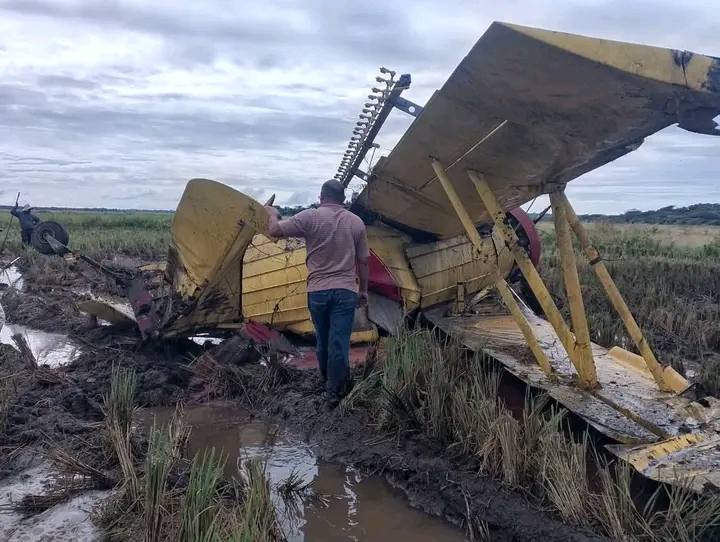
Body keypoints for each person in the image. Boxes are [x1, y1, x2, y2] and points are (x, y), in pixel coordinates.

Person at [265, 179, 369, 407]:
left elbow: (274, 230)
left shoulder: (309, 217)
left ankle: (327, 381)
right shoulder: (356, 222)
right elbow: (363, 261)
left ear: (321, 197)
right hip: (345, 291)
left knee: (322, 340)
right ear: (343, 200)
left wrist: (271, 213)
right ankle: (335, 392)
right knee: (338, 342)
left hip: (317, 292)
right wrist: (363, 290)